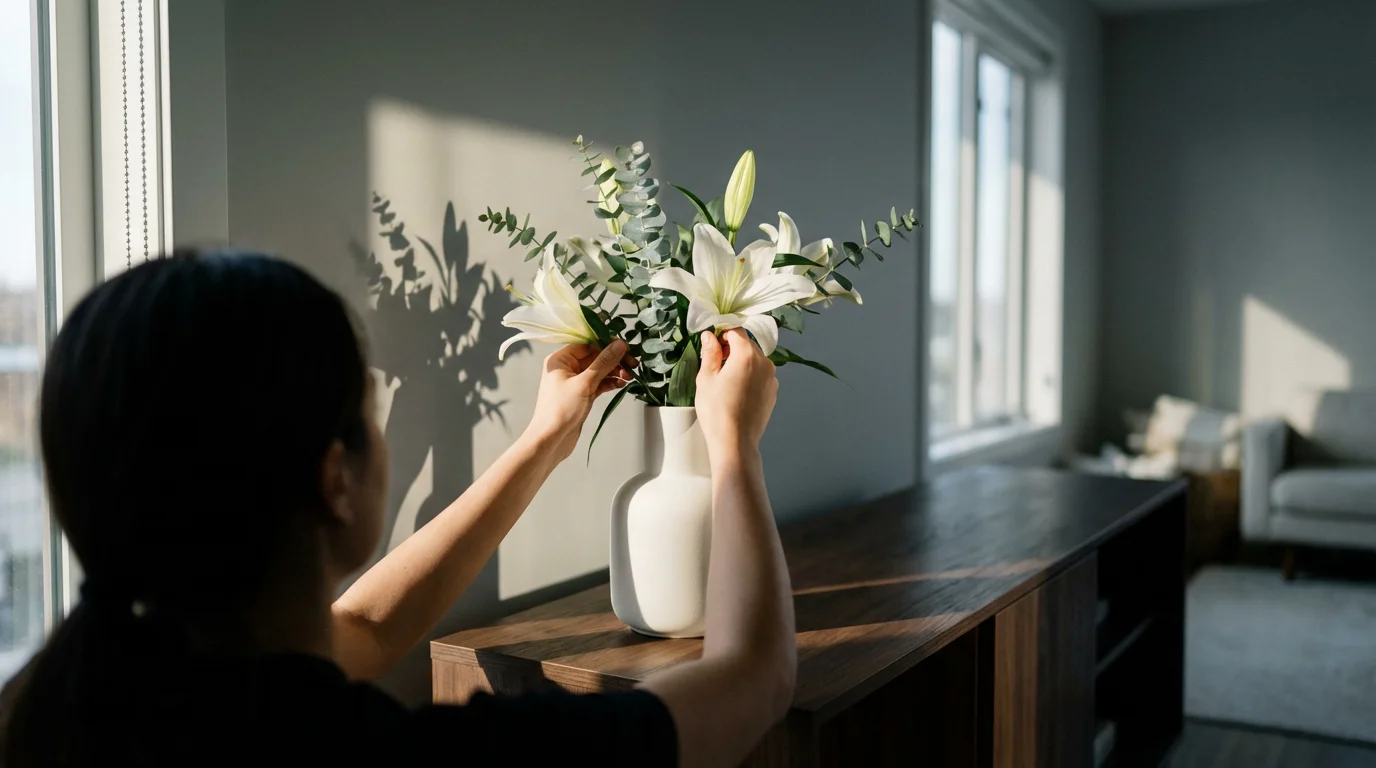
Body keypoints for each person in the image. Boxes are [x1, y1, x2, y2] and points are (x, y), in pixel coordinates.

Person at [0, 251, 796, 767]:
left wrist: (543, 443)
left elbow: (367, 631)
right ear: (334, 480)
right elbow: (754, 681)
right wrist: (735, 444)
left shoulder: (70, 703)